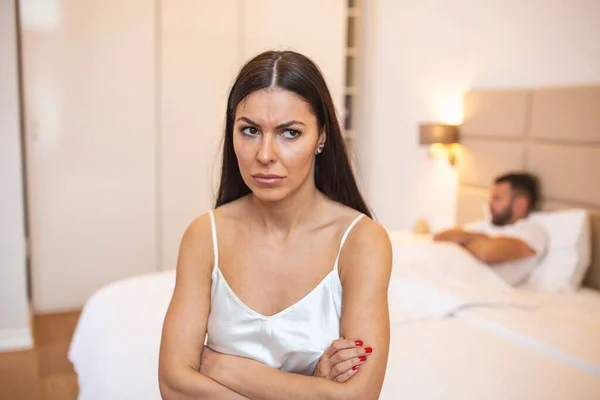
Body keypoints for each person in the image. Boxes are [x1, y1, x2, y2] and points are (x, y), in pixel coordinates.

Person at [159, 50, 392, 400]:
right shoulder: (205, 236)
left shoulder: (362, 242)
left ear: (322, 138)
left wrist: (224, 367)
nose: (265, 154)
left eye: (289, 133)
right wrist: (314, 385)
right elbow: (173, 384)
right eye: (250, 130)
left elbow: (359, 396)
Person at [434, 173, 547, 285]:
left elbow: (486, 253)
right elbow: (440, 237)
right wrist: (480, 239)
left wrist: (464, 240)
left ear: (520, 204)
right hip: (445, 273)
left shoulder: (531, 231)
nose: (490, 204)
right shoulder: (485, 224)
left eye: (496, 199)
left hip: (474, 285)